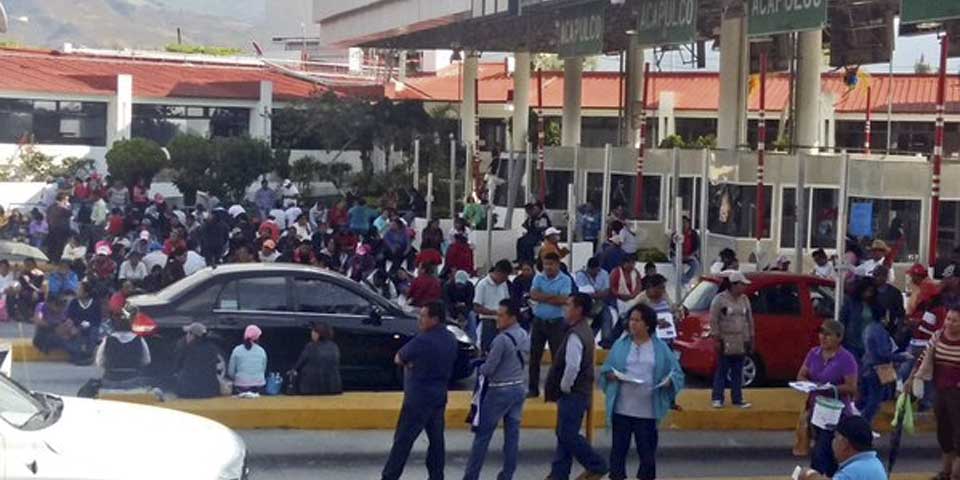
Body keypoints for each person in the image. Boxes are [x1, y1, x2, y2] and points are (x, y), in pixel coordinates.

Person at [600, 303, 685, 480]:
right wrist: (611, 376)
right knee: (618, 453)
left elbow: (676, 373)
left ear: (647, 324)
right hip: (622, 409)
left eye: (637, 320)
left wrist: (669, 382)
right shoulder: (621, 345)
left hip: (647, 411)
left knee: (647, 455)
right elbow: (606, 369)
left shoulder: (660, 347)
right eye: (631, 320)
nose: (633, 324)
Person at [382, 302, 458, 480]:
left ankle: (389, 476)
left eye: (424, 316)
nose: (420, 320)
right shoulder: (450, 338)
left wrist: (410, 364)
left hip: (418, 398)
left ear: (435, 319)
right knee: (437, 441)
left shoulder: (423, 340)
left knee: (403, 441)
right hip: (439, 396)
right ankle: (436, 475)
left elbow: (399, 358)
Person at [543, 293, 608, 480]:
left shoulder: (575, 335)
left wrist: (565, 386)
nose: (565, 308)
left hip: (574, 393)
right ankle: (558, 473)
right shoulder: (583, 330)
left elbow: (573, 365)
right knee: (563, 434)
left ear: (578, 310)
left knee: (567, 434)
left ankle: (597, 465)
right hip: (579, 392)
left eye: (569, 305)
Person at [462, 300, 530, 480]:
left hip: (499, 391)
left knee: (482, 437)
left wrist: (480, 364)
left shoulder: (501, 340)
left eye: (501, 315)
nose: (497, 319)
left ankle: (471, 476)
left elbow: (488, 369)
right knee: (512, 436)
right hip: (518, 388)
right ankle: (507, 474)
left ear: (512, 317)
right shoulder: (524, 334)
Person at [796, 319, 860, 477]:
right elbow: (801, 375)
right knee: (827, 454)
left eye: (828, 334)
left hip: (836, 414)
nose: (823, 337)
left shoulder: (846, 359)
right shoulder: (813, 353)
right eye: (821, 333)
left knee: (821, 451)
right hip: (816, 411)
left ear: (839, 338)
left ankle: (813, 475)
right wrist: (810, 384)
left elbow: (852, 387)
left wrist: (830, 388)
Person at [909, 308, 960, 480]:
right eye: (948, 319)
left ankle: (955, 474)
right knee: (944, 432)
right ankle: (945, 472)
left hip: (957, 394)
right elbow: (923, 358)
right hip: (940, 391)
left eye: (954, 320)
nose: (949, 323)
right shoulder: (938, 335)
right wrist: (912, 378)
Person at [528, 253, 572, 399]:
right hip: (539, 321)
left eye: (551, 264)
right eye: (545, 264)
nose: (548, 267)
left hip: (557, 323)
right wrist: (553, 297)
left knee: (557, 358)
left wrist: (543, 296)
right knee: (534, 358)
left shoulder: (565, 279)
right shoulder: (538, 277)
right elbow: (533, 295)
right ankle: (533, 389)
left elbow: (564, 299)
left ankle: (555, 391)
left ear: (558, 264)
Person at [709, 271, 755, 409]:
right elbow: (714, 320)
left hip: (741, 339)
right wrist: (716, 338)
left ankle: (737, 398)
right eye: (742, 284)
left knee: (738, 370)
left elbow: (749, 320)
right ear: (734, 285)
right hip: (726, 338)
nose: (744, 287)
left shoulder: (745, 300)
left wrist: (751, 337)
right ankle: (717, 397)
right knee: (722, 369)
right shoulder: (720, 299)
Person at [798, 416, 887, 480]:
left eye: (835, 437)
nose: (833, 442)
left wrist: (809, 475)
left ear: (845, 444)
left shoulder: (852, 472)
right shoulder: (874, 463)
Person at [96, 310, 151, 384]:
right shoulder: (139, 339)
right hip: (134, 378)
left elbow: (99, 361)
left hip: (111, 378)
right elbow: (146, 360)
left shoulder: (107, 340)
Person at [839, 279, 885, 361]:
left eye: (871, 291)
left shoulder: (875, 305)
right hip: (852, 342)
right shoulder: (850, 302)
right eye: (866, 291)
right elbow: (842, 320)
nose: (868, 294)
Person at [290, 323, 342, 395]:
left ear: (318, 334)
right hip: (332, 386)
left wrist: (292, 371)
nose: (312, 334)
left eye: (314, 332)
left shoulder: (311, 347)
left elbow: (299, 364)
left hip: (311, 387)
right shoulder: (334, 346)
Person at [174, 322, 222, 399]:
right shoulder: (212, 348)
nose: (186, 336)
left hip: (187, 391)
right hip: (210, 391)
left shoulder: (185, 348)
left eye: (188, 333)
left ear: (192, 335)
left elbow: (177, 366)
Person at [473, 260, 513, 353]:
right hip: (489, 321)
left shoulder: (503, 284)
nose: (505, 279)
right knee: (488, 350)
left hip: (503, 322)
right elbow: (476, 307)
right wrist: (494, 312)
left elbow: (506, 301)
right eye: (504, 277)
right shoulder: (483, 284)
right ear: (498, 272)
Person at [575, 257, 613, 339]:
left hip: (600, 303)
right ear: (588, 268)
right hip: (586, 304)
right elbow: (582, 294)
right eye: (593, 271)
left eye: (597, 270)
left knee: (607, 317)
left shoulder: (604, 273)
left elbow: (606, 292)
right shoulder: (581, 275)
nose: (595, 272)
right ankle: (586, 340)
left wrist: (593, 294)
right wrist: (598, 294)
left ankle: (605, 342)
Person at [228, 325, 267, 394]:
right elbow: (263, 369)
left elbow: (231, 371)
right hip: (259, 385)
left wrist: (236, 379)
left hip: (241, 386)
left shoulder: (237, 350)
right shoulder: (261, 351)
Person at [676, 216, 701, 285]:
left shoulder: (693, 234)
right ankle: (685, 282)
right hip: (678, 256)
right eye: (682, 223)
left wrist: (690, 255)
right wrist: (679, 255)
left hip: (689, 255)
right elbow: (672, 247)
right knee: (677, 265)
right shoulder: (676, 233)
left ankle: (684, 281)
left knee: (696, 264)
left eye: (685, 222)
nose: (684, 224)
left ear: (689, 224)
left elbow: (697, 246)